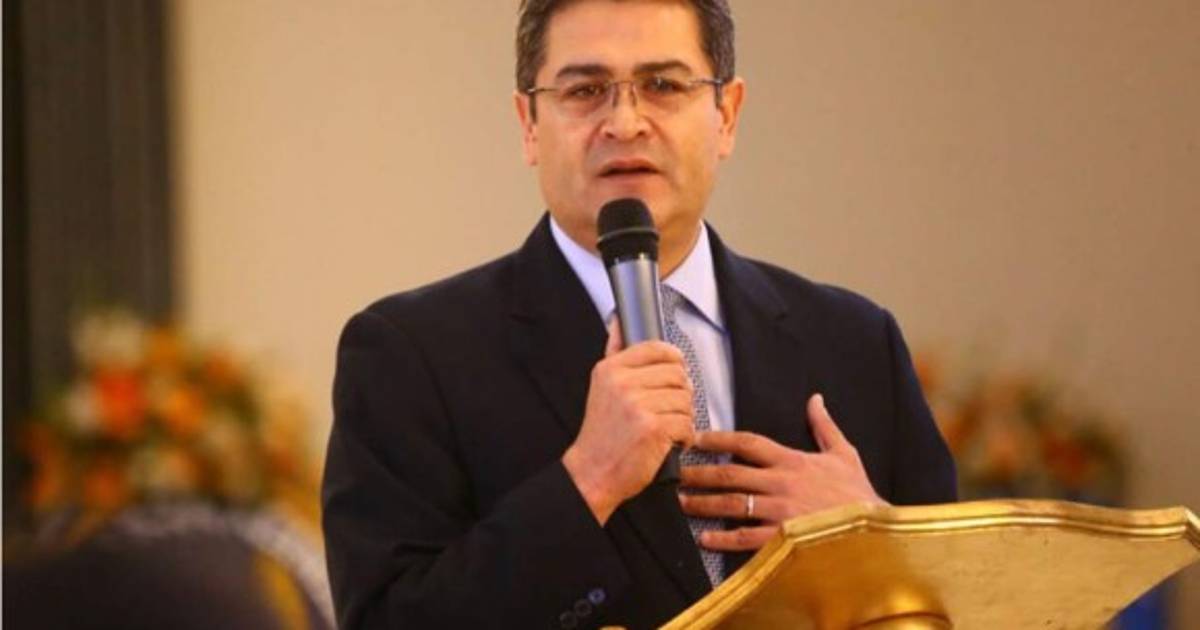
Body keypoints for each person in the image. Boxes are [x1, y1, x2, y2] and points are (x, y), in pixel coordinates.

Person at [321, 1, 957, 628]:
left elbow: (965, 602)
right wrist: (588, 480)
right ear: (529, 124)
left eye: (663, 85)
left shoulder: (856, 342)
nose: (625, 123)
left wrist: (872, 535)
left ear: (727, 114)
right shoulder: (411, 354)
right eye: (585, 90)